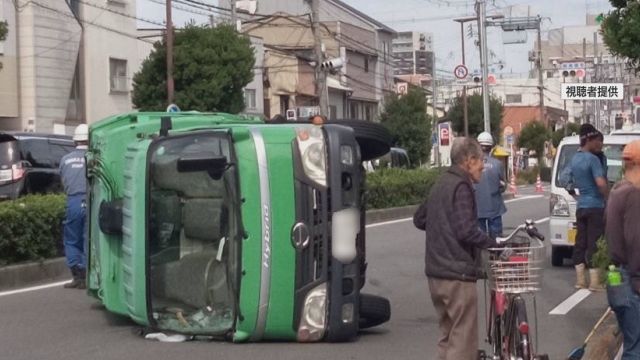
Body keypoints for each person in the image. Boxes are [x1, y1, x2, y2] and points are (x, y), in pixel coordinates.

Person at [413, 137, 498, 360]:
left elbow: (420, 219)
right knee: (463, 342)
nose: (483, 165)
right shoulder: (462, 186)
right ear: (469, 160)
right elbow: (466, 230)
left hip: (435, 274)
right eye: (480, 160)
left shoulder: (441, 182)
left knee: (448, 336)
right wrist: (494, 243)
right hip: (456, 275)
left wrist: (441, 224)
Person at [605, 140, 640, 359]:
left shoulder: (617, 191)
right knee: (635, 350)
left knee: (631, 343)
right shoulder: (634, 195)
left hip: (615, 277)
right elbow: (636, 242)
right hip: (630, 279)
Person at [570, 123, 608, 291]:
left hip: (581, 205)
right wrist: (607, 195)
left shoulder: (574, 159)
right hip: (595, 206)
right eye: (597, 141)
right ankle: (594, 282)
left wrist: (576, 194)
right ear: (590, 140)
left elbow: (566, 180)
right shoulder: (593, 160)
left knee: (580, 241)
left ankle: (580, 280)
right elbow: (600, 183)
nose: (599, 145)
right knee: (594, 242)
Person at [60, 124, 89, 289]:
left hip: (73, 201)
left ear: (75, 141)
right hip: (91, 199)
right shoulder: (94, 158)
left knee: (71, 239)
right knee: (88, 237)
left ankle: (77, 275)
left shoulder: (65, 159)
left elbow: (64, 182)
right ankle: (88, 275)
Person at [475, 132, 507, 238]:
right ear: (491, 147)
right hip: (495, 208)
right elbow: (502, 185)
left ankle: (481, 255)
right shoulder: (497, 164)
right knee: (497, 241)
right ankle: (495, 254)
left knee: (480, 241)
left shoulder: (472, 164)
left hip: (478, 208)